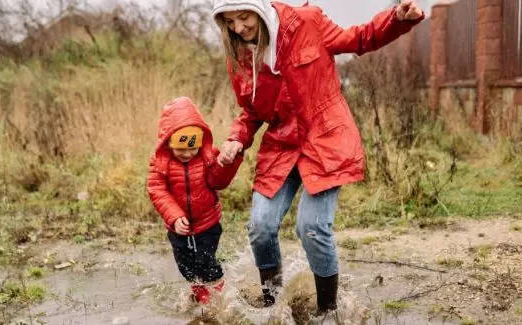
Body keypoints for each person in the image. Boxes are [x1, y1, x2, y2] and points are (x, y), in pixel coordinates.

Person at [211, 0, 424, 317]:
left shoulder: (306, 23)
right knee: (260, 226)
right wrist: (235, 139)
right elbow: (251, 112)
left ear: (260, 8)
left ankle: (328, 311)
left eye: (244, 17)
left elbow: (359, 38)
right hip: (282, 144)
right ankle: (273, 304)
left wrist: (396, 19)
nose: (239, 28)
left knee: (311, 227)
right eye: (230, 22)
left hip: (325, 138)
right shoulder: (240, 55)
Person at [146, 97, 243, 304]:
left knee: (206, 262)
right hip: (178, 228)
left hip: (207, 224)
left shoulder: (208, 156)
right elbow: (156, 189)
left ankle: (219, 296)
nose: (187, 154)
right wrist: (174, 216)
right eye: (181, 149)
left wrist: (228, 164)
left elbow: (218, 181)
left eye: (192, 148)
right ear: (168, 142)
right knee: (186, 266)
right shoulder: (161, 163)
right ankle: (201, 295)